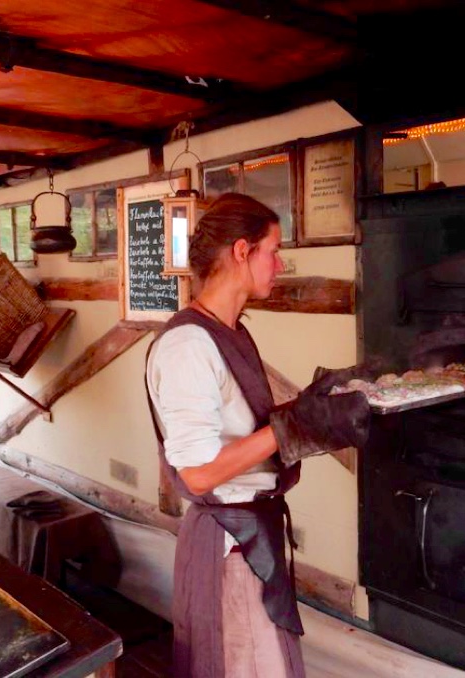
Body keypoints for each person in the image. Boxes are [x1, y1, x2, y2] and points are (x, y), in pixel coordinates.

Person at [145, 193, 369, 677]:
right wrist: (294, 424)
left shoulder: (230, 330)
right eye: (273, 249)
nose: (280, 263)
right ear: (242, 251)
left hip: (253, 536)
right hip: (230, 546)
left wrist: (316, 411)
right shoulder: (187, 346)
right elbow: (199, 473)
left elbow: (249, 430)